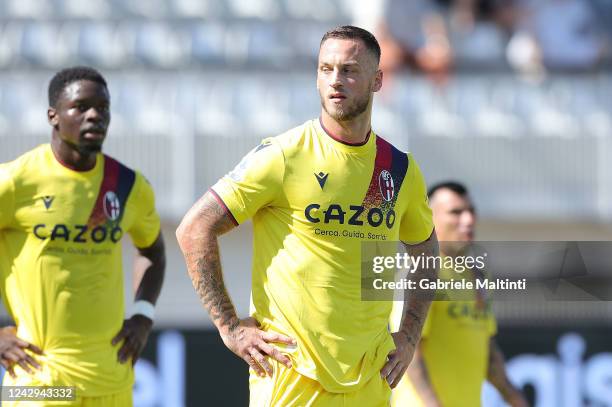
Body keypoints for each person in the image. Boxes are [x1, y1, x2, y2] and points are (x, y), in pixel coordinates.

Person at [176, 25, 438, 406]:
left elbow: (425, 250)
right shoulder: (284, 155)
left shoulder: (398, 169)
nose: (335, 81)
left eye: (349, 70)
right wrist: (230, 327)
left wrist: (409, 335)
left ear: (377, 80)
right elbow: (194, 228)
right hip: (290, 375)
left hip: (370, 376)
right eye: (325, 69)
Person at [0, 66, 165, 406]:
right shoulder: (16, 182)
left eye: (103, 108)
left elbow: (153, 252)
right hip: (38, 377)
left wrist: (143, 315)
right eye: (81, 107)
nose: (95, 116)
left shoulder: (129, 186)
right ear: (54, 116)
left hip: (111, 376)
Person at [391, 181, 527, 407]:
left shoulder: (478, 275)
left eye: (471, 211)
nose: (468, 220)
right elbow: (408, 349)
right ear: (430, 217)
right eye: (456, 212)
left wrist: (517, 400)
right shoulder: (420, 270)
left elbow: (489, 354)